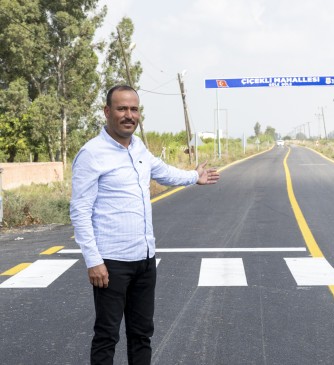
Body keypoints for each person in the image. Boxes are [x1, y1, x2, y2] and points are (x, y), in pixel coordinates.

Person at [70, 85, 220, 365]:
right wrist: (93, 261)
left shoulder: (139, 148)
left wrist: (192, 177)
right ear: (107, 112)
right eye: (122, 108)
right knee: (107, 336)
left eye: (134, 109)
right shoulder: (92, 154)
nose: (129, 115)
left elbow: (163, 172)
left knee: (142, 335)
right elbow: (80, 211)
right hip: (111, 261)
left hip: (145, 258)